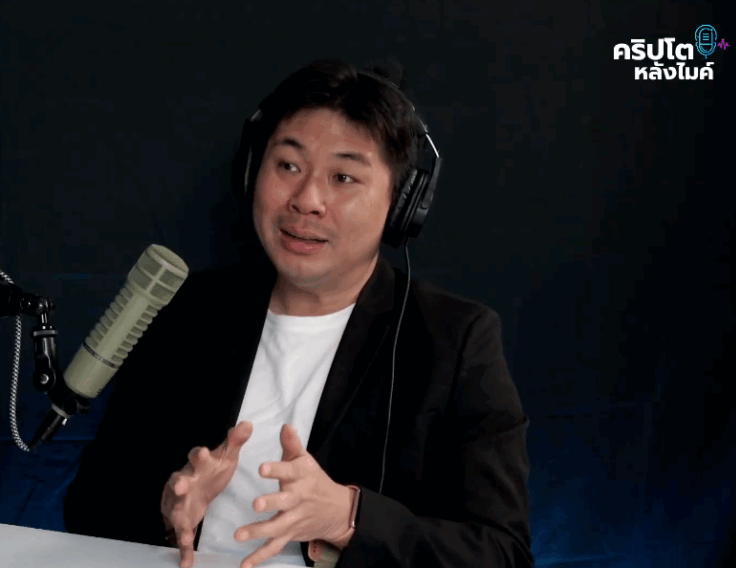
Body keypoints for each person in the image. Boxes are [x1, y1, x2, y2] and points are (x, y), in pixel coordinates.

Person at [63, 58, 533, 568]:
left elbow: (502, 554)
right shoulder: (188, 311)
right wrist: (164, 506)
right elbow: (88, 507)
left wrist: (349, 519)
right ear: (252, 172)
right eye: (288, 166)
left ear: (402, 205)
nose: (307, 200)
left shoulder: (455, 340)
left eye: (343, 177)